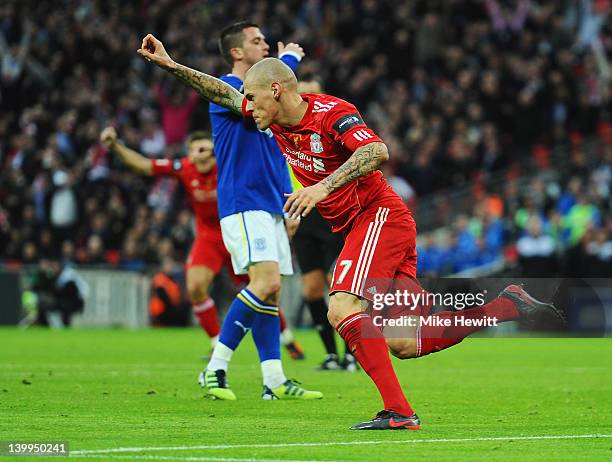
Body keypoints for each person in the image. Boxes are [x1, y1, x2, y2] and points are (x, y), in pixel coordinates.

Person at [137, 34, 565, 429]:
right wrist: (171, 66)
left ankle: (398, 412)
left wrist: (320, 188)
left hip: (378, 218)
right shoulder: (269, 114)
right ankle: (505, 306)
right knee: (403, 341)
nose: (245, 106)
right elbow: (223, 93)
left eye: (252, 96)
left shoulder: (331, 113)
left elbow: (377, 150)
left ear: (276, 91)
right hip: (373, 228)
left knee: (340, 307)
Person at [144, 23, 320, 401]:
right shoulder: (229, 86)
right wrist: (287, 59)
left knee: (271, 295)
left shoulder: (270, 102)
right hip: (244, 201)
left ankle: (273, 378)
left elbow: (277, 155)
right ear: (238, 53)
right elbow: (259, 92)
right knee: (265, 284)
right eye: (257, 42)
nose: (265, 45)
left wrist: (288, 203)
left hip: (271, 202)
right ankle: (215, 368)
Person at [100, 128, 224, 346]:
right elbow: (144, 165)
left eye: (207, 149)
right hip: (208, 236)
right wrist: (115, 146)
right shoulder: (184, 168)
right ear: (189, 154)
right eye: (197, 150)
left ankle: (286, 337)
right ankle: (218, 345)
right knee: (195, 288)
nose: (203, 155)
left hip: (238, 231)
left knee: (263, 287)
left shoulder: (228, 162)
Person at [295, 75, 355, 371]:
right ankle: (332, 355)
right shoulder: (285, 134)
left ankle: (353, 354)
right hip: (305, 216)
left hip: (337, 212)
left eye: (312, 96)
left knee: (341, 283)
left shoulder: (331, 125)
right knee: (311, 289)